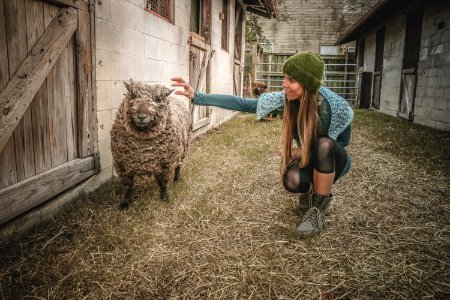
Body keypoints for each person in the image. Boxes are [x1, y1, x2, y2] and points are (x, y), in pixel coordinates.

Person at [171, 52, 353, 238]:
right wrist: (197, 96)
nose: (284, 83)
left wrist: (304, 151)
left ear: (306, 83)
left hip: (333, 163)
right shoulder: (286, 101)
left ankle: (317, 212)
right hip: (310, 160)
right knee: (292, 180)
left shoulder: (335, 107)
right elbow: (241, 103)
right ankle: (309, 192)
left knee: (323, 144)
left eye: (291, 80)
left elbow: (342, 142)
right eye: (285, 78)